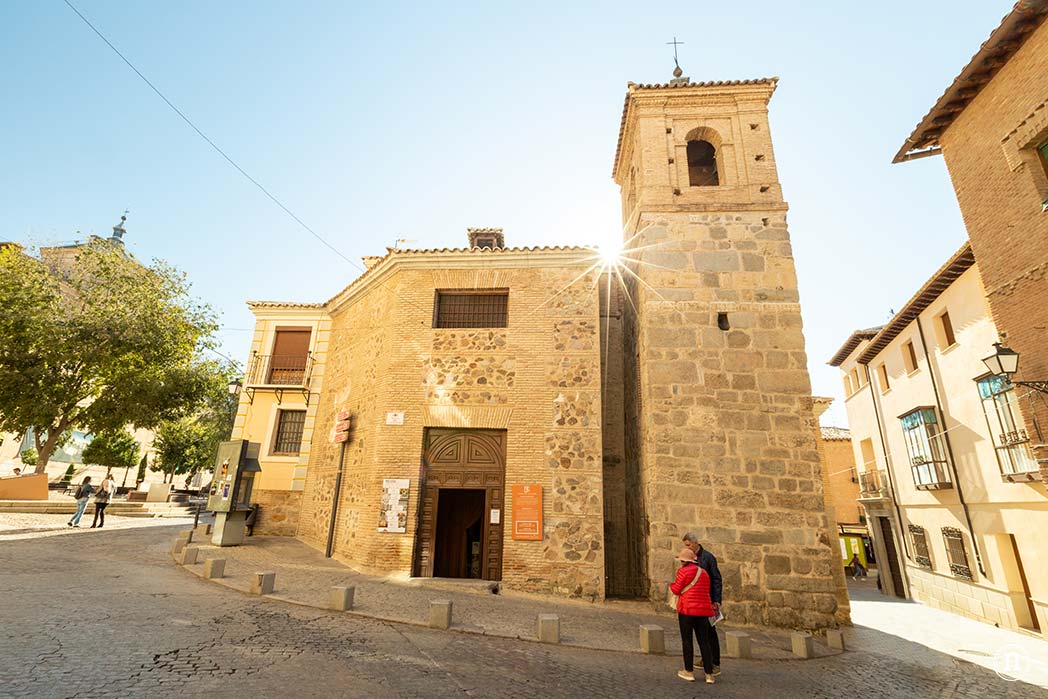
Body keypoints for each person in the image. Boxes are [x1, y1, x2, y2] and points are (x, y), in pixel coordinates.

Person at [670, 548, 716, 684]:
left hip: (687, 610)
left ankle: (688, 671)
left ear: (683, 561)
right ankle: (709, 674)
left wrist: (671, 586)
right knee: (704, 642)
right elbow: (706, 590)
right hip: (703, 611)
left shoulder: (683, 572)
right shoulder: (704, 573)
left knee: (687, 640)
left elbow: (677, 589)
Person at [682, 532, 722, 676]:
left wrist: (716, 600)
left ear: (695, 543)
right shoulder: (690, 557)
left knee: (710, 632)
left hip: (708, 601)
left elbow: (716, 579)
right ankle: (706, 659)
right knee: (701, 633)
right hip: (696, 602)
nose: (687, 548)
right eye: (685, 546)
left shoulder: (708, 558)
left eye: (688, 545)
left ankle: (715, 662)